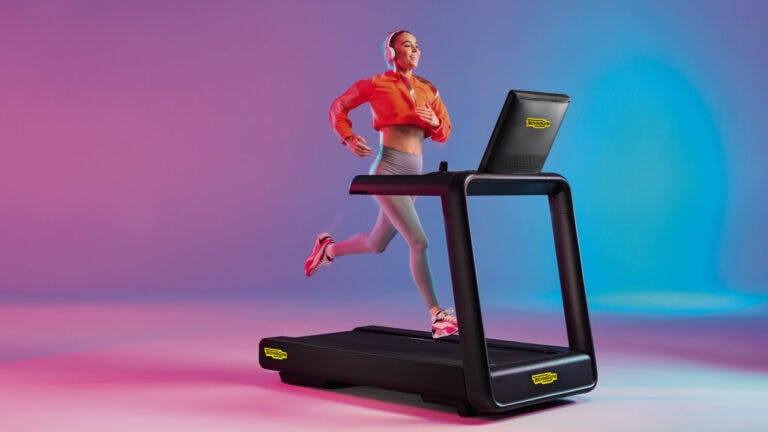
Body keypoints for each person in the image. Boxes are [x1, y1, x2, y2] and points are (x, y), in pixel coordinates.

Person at [304, 30, 457, 339]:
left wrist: (435, 123)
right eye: (407, 45)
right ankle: (437, 315)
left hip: (414, 177)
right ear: (391, 52)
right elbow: (338, 107)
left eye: (417, 46)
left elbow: (445, 132)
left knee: (376, 244)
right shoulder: (376, 84)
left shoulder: (429, 89)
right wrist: (348, 137)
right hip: (388, 171)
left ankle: (328, 250)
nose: (414, 50)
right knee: (419, 242)